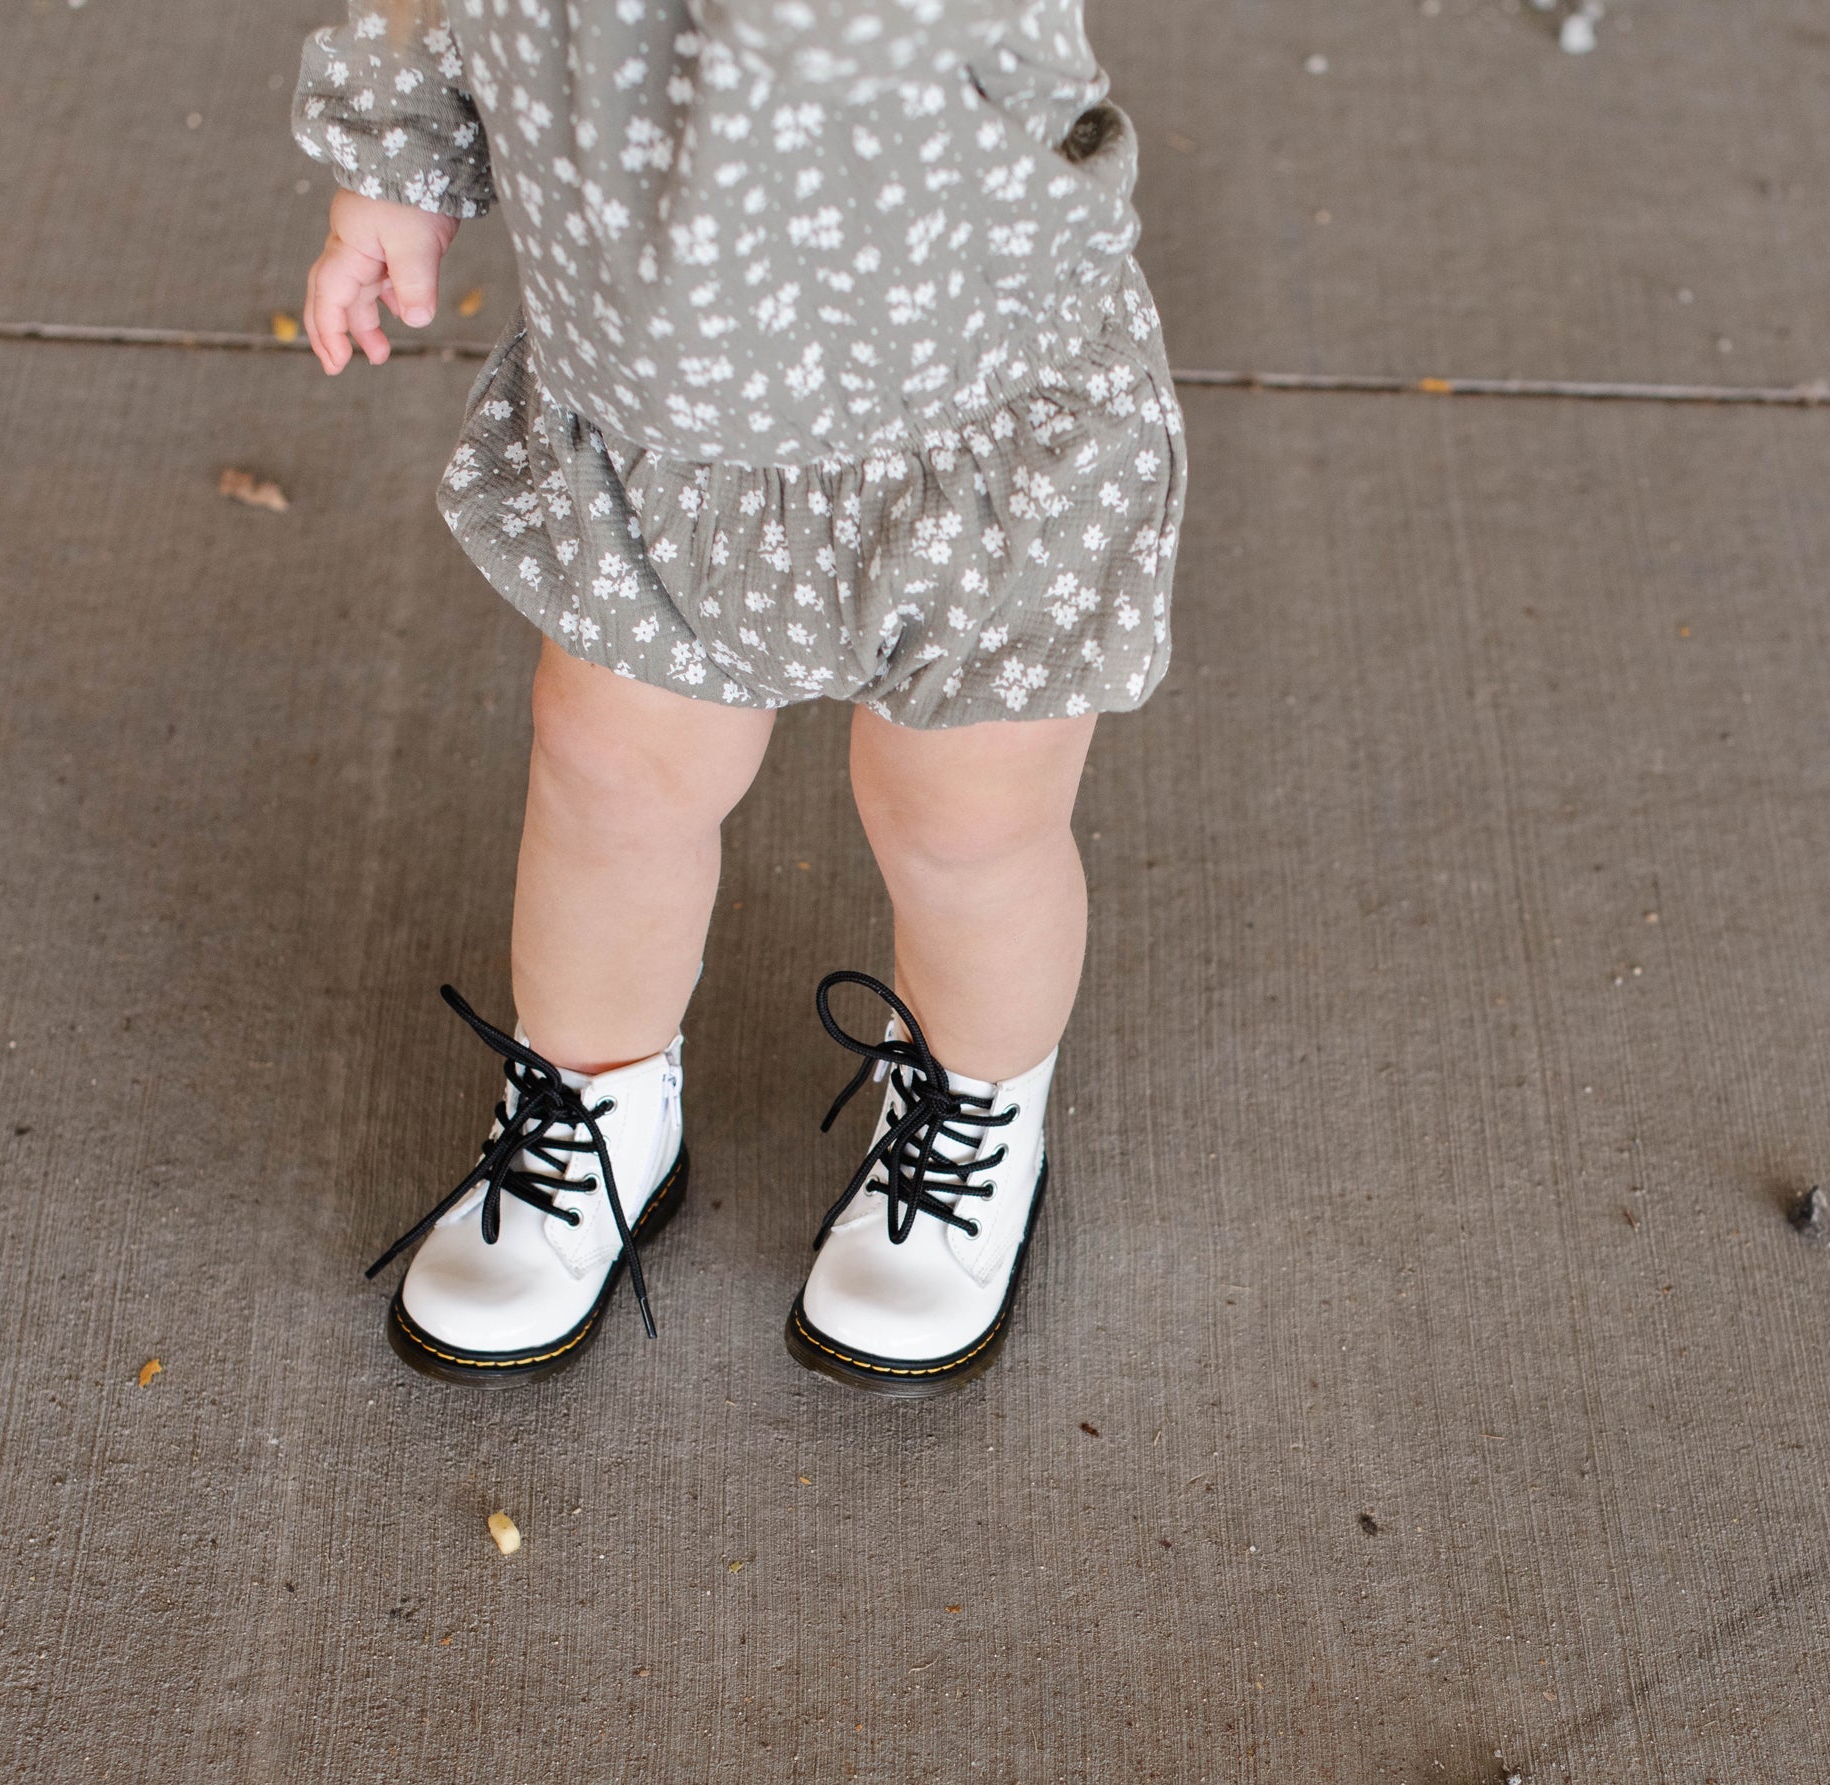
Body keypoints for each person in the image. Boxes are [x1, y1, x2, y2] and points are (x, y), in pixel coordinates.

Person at [294, 0, 1183, 1395]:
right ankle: (595, 1100)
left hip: (973, 413)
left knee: (966, 822)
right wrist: (396, 155)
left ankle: (974, 1107)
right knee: (609, 777)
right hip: (660, 417)